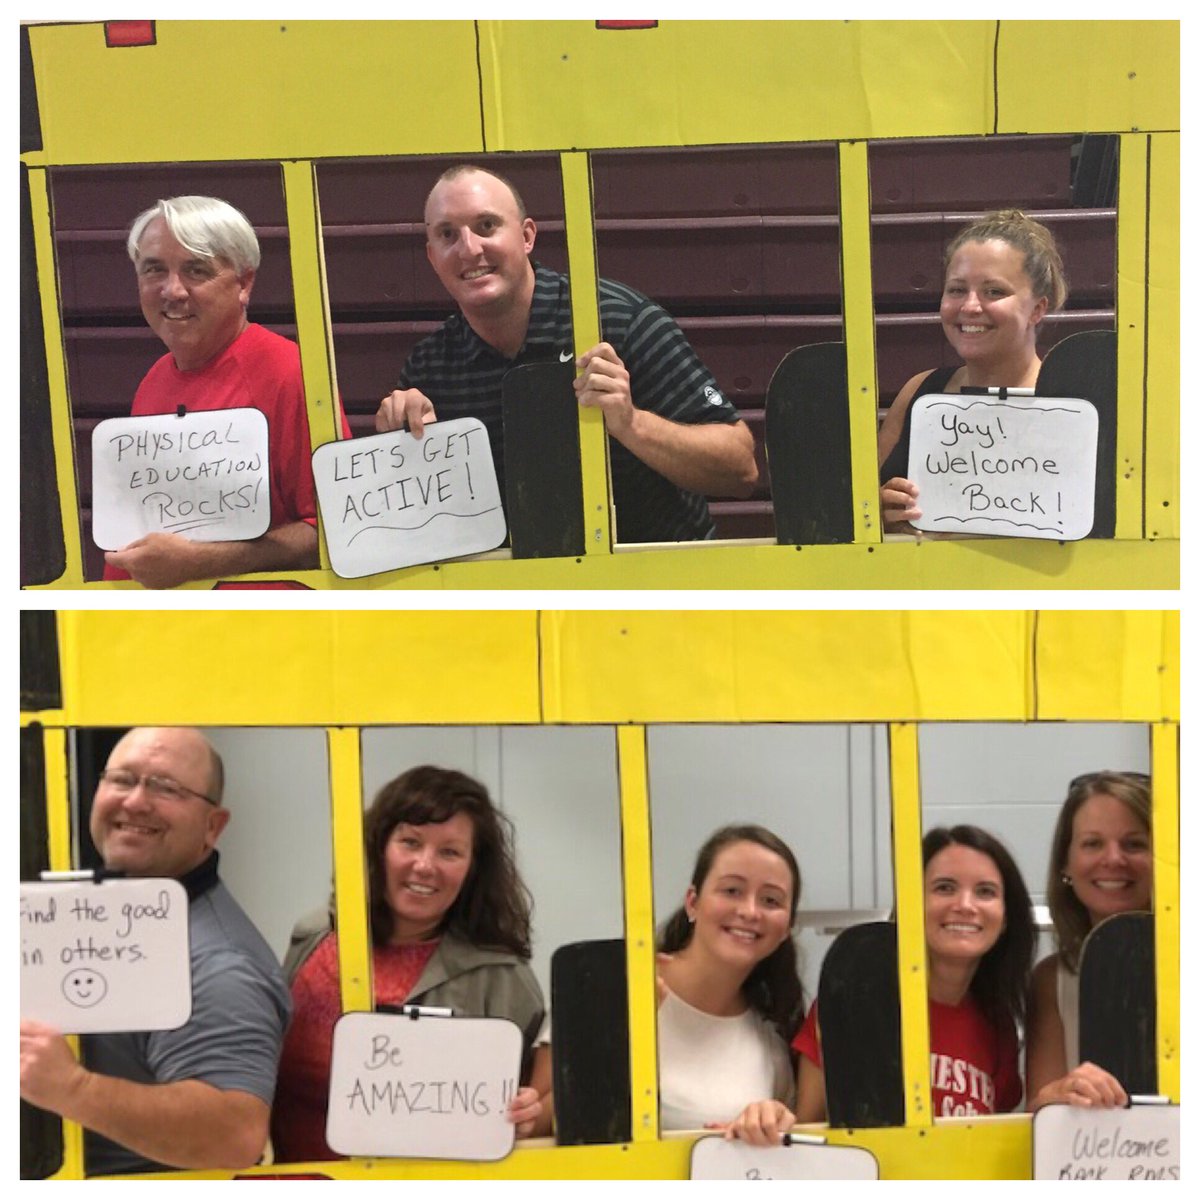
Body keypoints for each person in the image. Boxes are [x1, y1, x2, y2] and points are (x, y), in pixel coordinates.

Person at [374, 164, 758, 544]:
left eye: (487, 226)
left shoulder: (618, 321)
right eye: (447, 234)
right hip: (517, 594)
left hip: (652, 590)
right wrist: (399, 448)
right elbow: (406, 530)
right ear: (431, 256)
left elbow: (741, 470)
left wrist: (631, 423)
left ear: (527, 236)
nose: (469, 248)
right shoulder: (430, 367)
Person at [19, 728, 291, 1175]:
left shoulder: (220, 965)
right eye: (122, 779)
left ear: (213, 827)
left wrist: (71, 1087)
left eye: (166, 788)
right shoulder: (100, 911)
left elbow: (234, 1137)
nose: (135, 802)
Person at [272, 765, 547, 1161]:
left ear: (473, 869)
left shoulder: (502, 976)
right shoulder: (316, 934)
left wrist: (525, 1113)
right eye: (410, 842)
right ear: (380, 847)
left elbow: (534, 1107)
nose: (425, 865)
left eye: (449, 852)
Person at [104, 195, 348, 587]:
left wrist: (201, 562)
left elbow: (332, 528)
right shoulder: (153, 382)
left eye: (196, 271)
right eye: (154, 270)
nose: (173, 291)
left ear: (244, 283)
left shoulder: (291, 373)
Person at [734, 825, 1034, 1142]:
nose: (965, 905)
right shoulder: (852, 1002)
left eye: (985, 892)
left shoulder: (997, 1023)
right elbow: (809, 1134)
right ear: (909, 905)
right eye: (944, 888)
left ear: (1005, 918)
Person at [877, 209, 1069, 532]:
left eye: (994, 291)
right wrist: (881, 512)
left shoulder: (1071, 403)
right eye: (956, 290)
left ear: (1038, 308)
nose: (969, 307)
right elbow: (864, 514)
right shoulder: (919, 391)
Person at [652, 825, 805, 1137]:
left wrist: (766, 1126)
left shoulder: (772, 1037)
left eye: (771, 900)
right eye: (732, 890)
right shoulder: (618, 985)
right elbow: (541, 1126)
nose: (749, 911)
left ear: (788, 927)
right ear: (692, 903)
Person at [1025, 771, 1152, 1111]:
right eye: (1092, 843)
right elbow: (1041, 1109)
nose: (1113, 859)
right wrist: (1060, 1094)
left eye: (1135, 843)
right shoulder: (1052, 979)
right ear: (1066, 863)